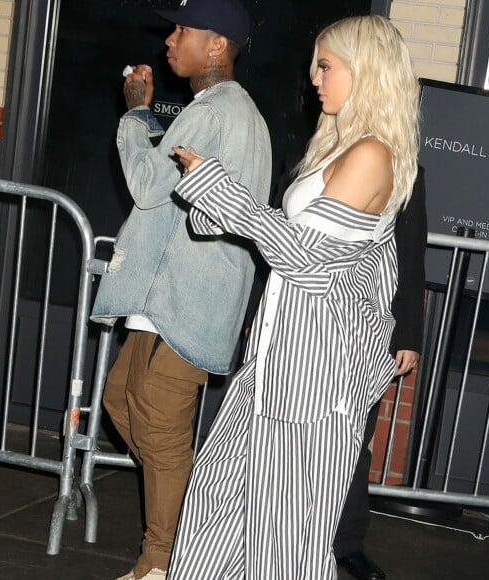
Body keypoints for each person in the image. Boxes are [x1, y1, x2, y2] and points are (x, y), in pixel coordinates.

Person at [167, 14, 420, 579]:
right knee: (215, 512)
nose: (313, 78)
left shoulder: (371, 155)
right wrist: (219, 208)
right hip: (275, 365)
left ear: (368, 71)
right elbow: (290, 237)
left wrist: (218, 189)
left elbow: (307, 259)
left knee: (282, 545)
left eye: (326, 66)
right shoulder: (338, 149)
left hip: (314, 379)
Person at [90, 0, 272, 578]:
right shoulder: (232, 113)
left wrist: (136, 115)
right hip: (169, 295)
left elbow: (147, 187)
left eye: (183, 30)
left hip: (187, 299)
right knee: (121, 401)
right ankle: (195, 511)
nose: (170, 40)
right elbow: (176, 191)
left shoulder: (215, 110)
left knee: (161, 430)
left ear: (216, 45)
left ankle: (159, 563)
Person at [334, 166, 427, 580]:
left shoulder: (407, 171)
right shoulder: (316, 148)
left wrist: (409, 333)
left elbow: (411, 254)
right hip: (305, 319)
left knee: (354, 440)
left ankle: (346, 543)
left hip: (368, 332)